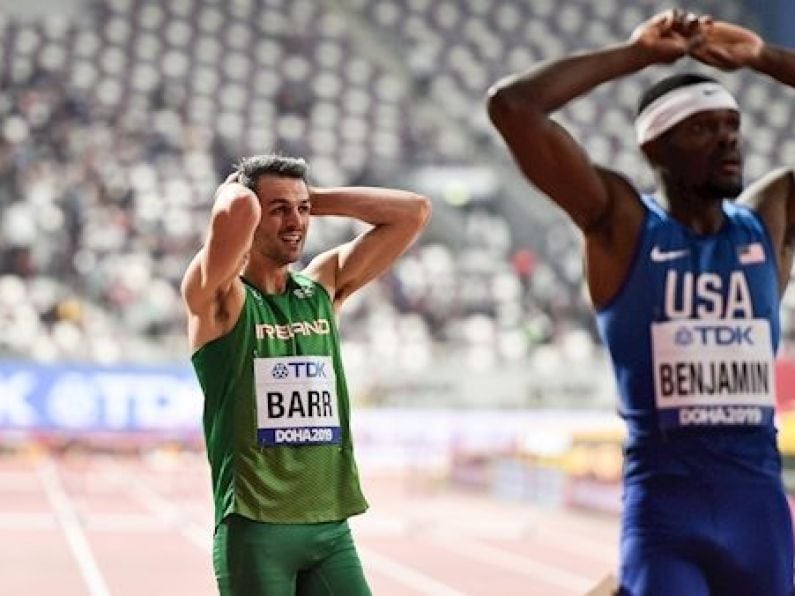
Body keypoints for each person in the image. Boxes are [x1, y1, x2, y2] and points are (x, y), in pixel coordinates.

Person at [487, 9, 795, 596]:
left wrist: (763, 58)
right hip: (666, 516)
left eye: (732, 125)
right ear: (657, 145)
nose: (729, 139)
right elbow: (512, 107)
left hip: (759, 514)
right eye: (704, 128)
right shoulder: (622, 225)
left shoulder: (769, 219)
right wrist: (639, 55)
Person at [181, 154, 430, 595]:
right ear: (253, 216)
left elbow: (414, 212)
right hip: (256, 529)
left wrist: (311, 200)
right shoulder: (221, 299)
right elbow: (235, 210)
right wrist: (236, 191)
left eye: (302, 210)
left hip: (330, 528)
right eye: (278, 210)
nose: (294, 222)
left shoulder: (322, 289)